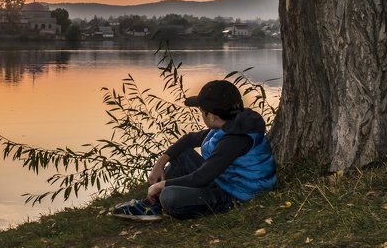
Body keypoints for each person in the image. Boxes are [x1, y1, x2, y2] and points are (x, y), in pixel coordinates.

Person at [111, 79, 277, 221]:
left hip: (237, 195)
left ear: (212, 116)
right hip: (225, 181)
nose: (201, 115)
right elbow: (189, 139)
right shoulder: (232, 125)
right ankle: (150, 206)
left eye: (201, 111)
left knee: (169, 197)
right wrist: (160, 163)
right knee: (182, 156)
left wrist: (162, 185)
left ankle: (156, 203)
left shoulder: (234, 140)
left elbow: (201, 178)